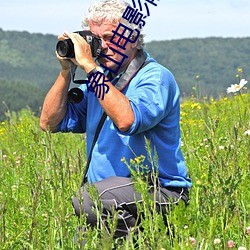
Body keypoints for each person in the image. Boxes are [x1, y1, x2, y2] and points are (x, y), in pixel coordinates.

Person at [40, 0, 192, 244]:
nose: (103, 46)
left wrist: (90, 66)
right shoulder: (99, 81)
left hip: (160, 192)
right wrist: (66, 70)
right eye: (96, 38)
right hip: (110, 199)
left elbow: (127, 120)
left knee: (88, 200)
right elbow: (49, 123)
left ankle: (146, 241)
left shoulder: (154, 77)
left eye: (110, 37)